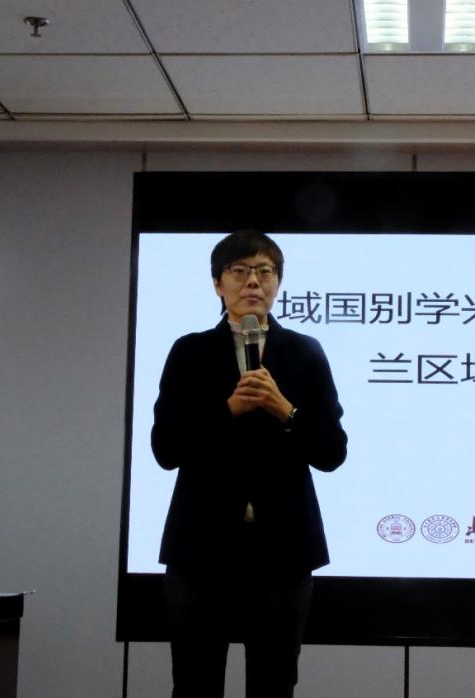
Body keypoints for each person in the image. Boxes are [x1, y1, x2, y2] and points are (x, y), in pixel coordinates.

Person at [151, 229, 347, 698]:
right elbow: (165, 449)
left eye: (264, 271)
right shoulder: (189, 352)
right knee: (195, 684)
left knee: (274, 685)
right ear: (218, 284)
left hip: (283, 550)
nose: (253, 281)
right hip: (201, 549)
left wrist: (286, 411)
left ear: (278, 282)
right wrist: (227, 411)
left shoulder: (305, 352)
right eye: (239, 271)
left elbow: (332, 452)